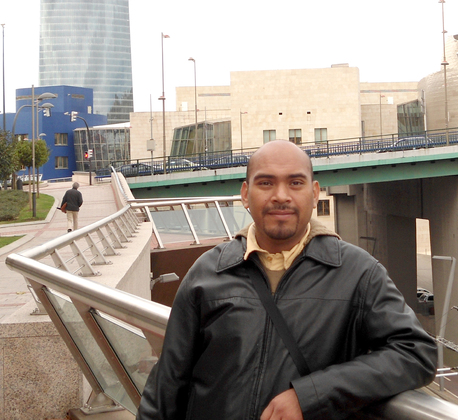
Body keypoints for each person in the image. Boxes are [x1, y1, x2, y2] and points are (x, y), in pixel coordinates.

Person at [137, 140, 437, 420]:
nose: (281, 195)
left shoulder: (359, 272)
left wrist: (312, 394)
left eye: (295, 182)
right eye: (266, 183)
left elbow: (416, 352)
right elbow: (167, 385)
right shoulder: (208, 271)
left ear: (315, 192)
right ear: (245, 193)